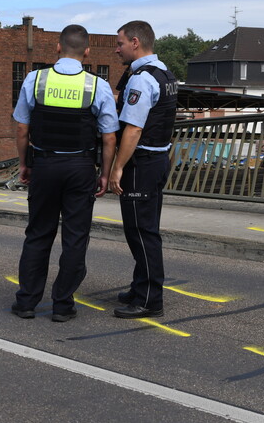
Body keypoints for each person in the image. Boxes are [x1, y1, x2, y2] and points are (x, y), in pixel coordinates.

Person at [11, 24, 118, 322]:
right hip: (80, 167)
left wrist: (25, 163)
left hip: (44, 165)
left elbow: (22, 128)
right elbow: (109, 136)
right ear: (86, 52)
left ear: (57, 48)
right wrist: (105, 174)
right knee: (75, 237)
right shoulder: (97, 86)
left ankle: (26, 302)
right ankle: (62, 305)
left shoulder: (35, 79)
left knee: (38, 234)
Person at [109, 20, 178, 319]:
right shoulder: (164, 73)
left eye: (120, 43)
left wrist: (117, 168)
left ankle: (150, 299)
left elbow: (133, 130)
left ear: (135, 42)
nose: (117, 49)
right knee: (142, 228)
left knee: (141, 232)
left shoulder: (141, 80)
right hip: (159, 158)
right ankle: (141, 287)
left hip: (143, 162)